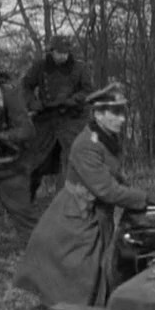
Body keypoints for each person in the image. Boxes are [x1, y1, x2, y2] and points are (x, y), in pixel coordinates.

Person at [14, 84, 155, 306]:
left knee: (97, 265)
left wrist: (136, 193)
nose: (121, 119)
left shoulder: (107, 138)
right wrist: (142, 198)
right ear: (98, 114)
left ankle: (89, 308)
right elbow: (105, 189)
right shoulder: (86, 145)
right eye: (115, 113)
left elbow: (113, 175)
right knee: (76, 269)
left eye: (122, 113)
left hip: (97, 213)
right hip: (77, 215)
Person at [22, 35, 94, 202]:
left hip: (72, 118)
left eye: (66, 53)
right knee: (34, 159)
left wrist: (72, 100)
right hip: (46, 118)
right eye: (59, 52)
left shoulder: (80, 68)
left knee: (73, 159)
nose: (63, 56)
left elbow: (88, 91)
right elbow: (25, 86)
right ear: (52, 51)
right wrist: (33, 103)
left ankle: (67, 200)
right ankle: (25, 200)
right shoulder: (40, 67)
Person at [0, 70, 37, 244]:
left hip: (10, 167)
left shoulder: (7, 95)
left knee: (26, 221)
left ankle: (44, 262)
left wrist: (2, 136)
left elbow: (27, 131)